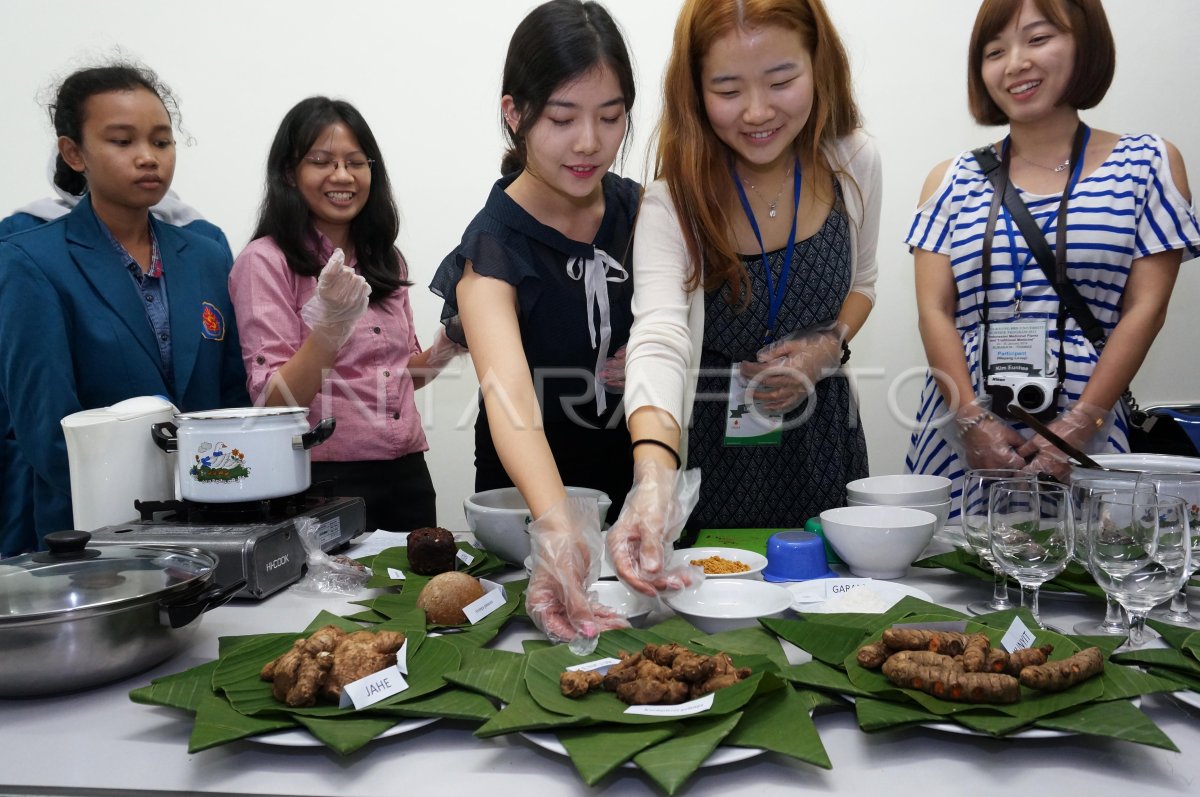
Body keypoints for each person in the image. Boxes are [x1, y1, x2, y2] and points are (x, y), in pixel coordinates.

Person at [613, 0, 881, 592]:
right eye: (728, 89)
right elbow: (658, 337)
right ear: (694, 90)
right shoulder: (673, 201)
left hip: (821, 440)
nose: (757, 112)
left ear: (819, 65)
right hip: (717, 452)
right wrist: (653, 479)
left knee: (831, 609)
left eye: (782, 80)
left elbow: (862, 285)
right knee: (722, 622)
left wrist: (826, 348)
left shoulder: (852, 162)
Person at [906, 0, 1200, 486]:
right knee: (956, 559)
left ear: (1085, 45)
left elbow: (1147, 308)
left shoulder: (1148, 163)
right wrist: (973, 424)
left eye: (1038, 39)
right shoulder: (950, 180)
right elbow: (934, 311)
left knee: (1098, 558)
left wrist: (1081, 423)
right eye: (995, 51)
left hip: (1092, 427)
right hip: (964, 434)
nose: (1016, 62)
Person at [430, 0, 639, 646]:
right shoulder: (492, 246)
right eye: (562, 117)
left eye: (610, 117)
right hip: (528, 507)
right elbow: (511, 401)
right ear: (514, 113)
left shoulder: (641, 213)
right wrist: (558, 524)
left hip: (630, 499)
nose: (589, 142)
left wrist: (660, 350)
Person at [0, 63, 248, 556]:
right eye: (121, 141)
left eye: (161, 141)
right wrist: (138, 524)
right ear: (74, 152)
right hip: (93, 536)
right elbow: (47, 431)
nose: (147, 158)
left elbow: (229, 393)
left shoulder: (204, 254)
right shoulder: (30, 260)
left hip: (209, 525)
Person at [229, 97, 461, 534]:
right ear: (288, 173)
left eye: (356, 162)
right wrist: (330, 326)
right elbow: (273, 403)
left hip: (407, 473)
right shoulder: (265, 261)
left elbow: (397, 377)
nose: (342, 175)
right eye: (322, 161)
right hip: (322, 480)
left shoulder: (386, 260)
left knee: (419, 597)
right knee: (334, 604)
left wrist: (447, 347)